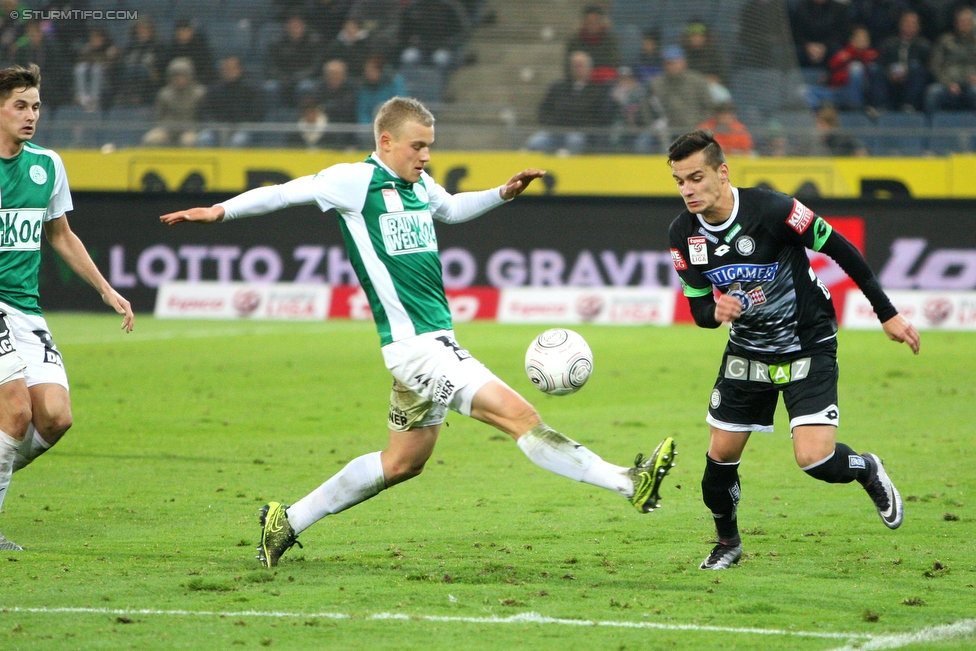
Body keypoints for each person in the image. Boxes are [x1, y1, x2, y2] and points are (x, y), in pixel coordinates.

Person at [161, 96, 676, 568]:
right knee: (520, 417)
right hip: (418, 349)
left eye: (429, 146)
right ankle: (627, 482)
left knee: (403, 462)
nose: (426, 155)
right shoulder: (354, 181)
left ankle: (287, 521)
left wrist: (502, 193)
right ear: (386, 142)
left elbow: (451, 208)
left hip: (430, 345)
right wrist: (219, 211)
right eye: (418, 145)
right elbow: (284, 193)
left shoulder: (419, 186)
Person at [666, 130, 918, 570]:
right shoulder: (683, 235)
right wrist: (716, 310)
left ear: (722, 173)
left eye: (696, 177)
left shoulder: (774, 210)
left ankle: (865, 468)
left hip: (807, 341)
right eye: (679, 181)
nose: (687, 190)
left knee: (815, 459)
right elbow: (697, 307)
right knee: (717, 461)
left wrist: (887, 313)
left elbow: (841, 248)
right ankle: (728, 544)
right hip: (748, 351)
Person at [0, 64, 134, 551]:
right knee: (14, 413)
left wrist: (104, 288)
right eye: (20, 105)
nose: (31, 115)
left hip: (24, 308)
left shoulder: (47, 165)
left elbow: (61, 235)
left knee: (55, 417)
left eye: (35, 106)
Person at [526, 50, 614, 154]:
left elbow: (600, 117)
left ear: (589, 68)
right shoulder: (558, 87)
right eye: (575, 65)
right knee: (535, 142)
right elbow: (544, 110)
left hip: (580, 133)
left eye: (580, 65)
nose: (577, 69)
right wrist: (551, 125)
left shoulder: (598, 91)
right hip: (556, 131)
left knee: (574, 141)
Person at [142, 57, 206, 147]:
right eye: (176, 76)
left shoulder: (199, 93)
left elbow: (202, 116)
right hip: (167, 129)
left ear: (189, 76)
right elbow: (158, 116)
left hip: (189, 129)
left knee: (188, 142)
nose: (179, 79)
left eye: (182, 76)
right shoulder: (164, 94)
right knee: (150, 139)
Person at [876, 10, 931, 112]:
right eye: (906, 22)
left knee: (915, 67)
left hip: (912, 81)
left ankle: (909, 106)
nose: (909, 25)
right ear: (900, 24)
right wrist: (890, 73)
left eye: (913, 23)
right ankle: (881, 107)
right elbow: (881, 64)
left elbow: (928, 69)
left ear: (918, 26)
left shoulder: (924, 46)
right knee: (874, 69)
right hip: (890, 79)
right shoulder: (889, 44)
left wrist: (908, 72)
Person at [926, 5, 976, 113]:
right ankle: (930, 127)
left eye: (968, 21)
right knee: (933, 92)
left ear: (973, 23)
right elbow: (935, 66)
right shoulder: (944, 41)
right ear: (956, 23)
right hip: (947, 84)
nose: (965, 24)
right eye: (962, 21)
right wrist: (948, 83)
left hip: (972, 84)